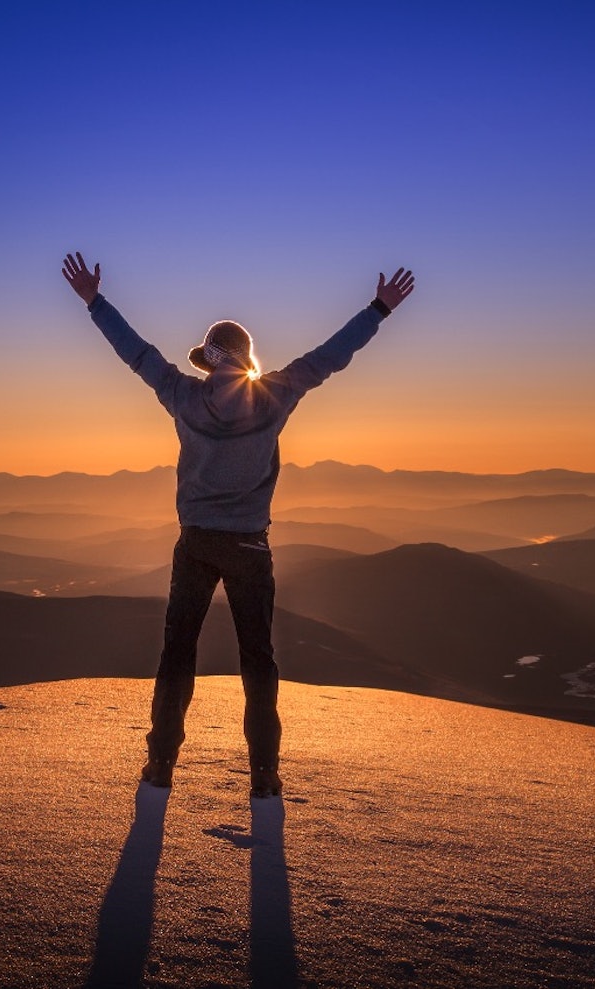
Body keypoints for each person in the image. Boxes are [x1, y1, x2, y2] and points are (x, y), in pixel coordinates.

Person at [61, 252, 415, 798]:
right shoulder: (274, 395)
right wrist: (378, 309)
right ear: (245, 360)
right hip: (251, 544)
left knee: (178, 652)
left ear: (210, 360)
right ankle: (265, 773)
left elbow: (136, 353)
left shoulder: (181, 394)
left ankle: (160, 764)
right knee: (259, 658)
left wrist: (94, 301)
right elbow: (329, 356)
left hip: (196, 542)